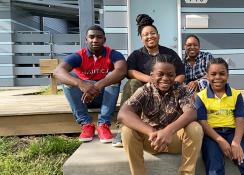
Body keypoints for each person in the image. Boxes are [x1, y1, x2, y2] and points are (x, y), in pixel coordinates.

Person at [117, 55, 203, 175]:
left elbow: (191, 113)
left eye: (170, 74)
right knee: (127, 131)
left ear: (175, 75)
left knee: (195, 128)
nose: (165, 78)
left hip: (173, 139)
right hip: (151, 140)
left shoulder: (181, 89)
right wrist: (151, 132)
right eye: (160, 74)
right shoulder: (145, 90)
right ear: (151, 76)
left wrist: (168, 131)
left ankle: (187, 173)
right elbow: (123, 113)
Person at [112, 14, 185, 147]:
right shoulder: (136, 54)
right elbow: (130, 71)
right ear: (141, 39)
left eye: (152, 33)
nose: (150, 36)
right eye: (146, 35)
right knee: (132, 83)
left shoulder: (170, 53)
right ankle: (123, 128)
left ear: (158, 35)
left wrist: (171, 83)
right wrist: (150, 80)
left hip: (167, 89)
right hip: (145, 92)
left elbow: (181, 74)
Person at [54, 25, 127, 143]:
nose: (95, 40)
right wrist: (80, 84)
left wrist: (97, 86)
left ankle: (103, 124)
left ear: (104, 39)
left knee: (113, 77)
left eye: (99, 37)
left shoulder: (113, 54)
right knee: (69, 79)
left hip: (104, 97)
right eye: (91, 37)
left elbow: (121, 71)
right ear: (86, 39)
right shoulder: (78, 56)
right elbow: (58, 71)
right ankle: (86, 124)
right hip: (83, 98)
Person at [195, 58, 244, 175]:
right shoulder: (201, 97)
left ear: (228, 75)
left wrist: (236, 142)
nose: (218, 77)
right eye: (213, 74)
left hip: (232, 133)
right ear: (207, 76)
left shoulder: (236, 94)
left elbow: (240, 118)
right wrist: (220, 141)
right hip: (211, 135)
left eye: (222, 73)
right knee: (214, 166)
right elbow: (203, 122)